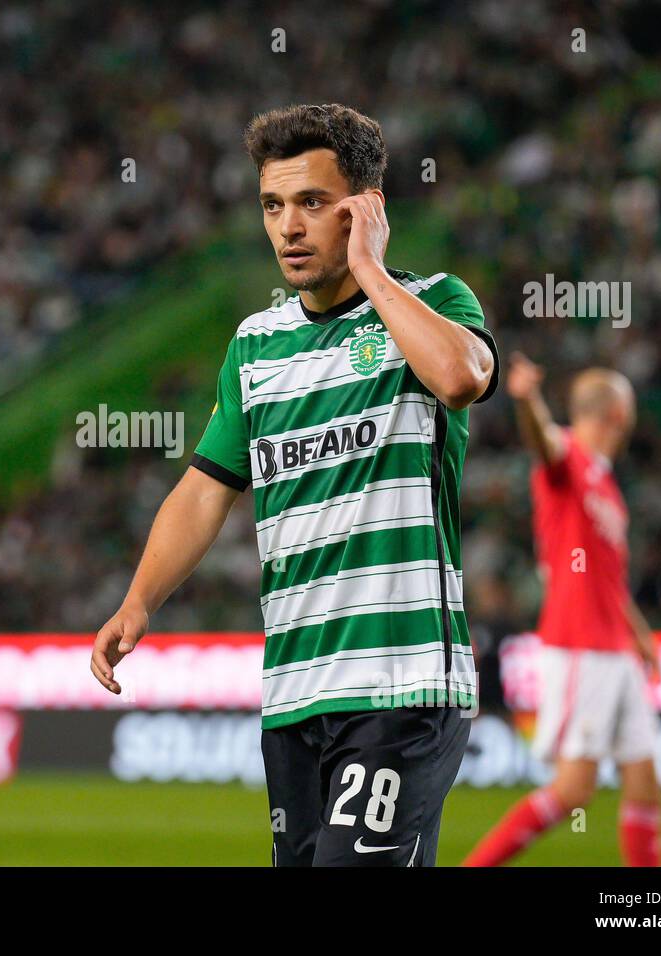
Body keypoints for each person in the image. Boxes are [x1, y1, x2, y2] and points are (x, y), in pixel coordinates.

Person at [90, 103, 499, 866]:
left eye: (312, 203)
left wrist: (373, 271)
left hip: (399, 683)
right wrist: (139, 599)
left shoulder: (435, 302)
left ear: (367, 207)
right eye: (273, 206)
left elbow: (460, 377)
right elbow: (205, 489)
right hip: (295, 694)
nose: (288, 227)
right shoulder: (256, 345)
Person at [462, 353, 661, 866]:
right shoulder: (568, 457)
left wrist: (639, 635)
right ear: (619, 413)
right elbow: (543, 444)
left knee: (644, 785)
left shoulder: (604, 482)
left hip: (615, 648)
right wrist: (528, 400)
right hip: (580, 647)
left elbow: (609, 582)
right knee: (574, 790)